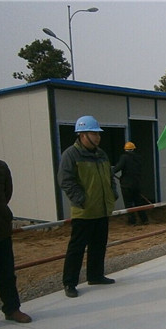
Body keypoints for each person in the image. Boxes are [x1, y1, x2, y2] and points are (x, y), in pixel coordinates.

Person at [58, 115, 118, 298]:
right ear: (82, 135)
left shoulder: (101, 154)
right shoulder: (71, 155)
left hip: (101, 210)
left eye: (98, 134)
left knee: (99, 245)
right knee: (76, 249)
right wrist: (81, 199)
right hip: (84, 212)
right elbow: (66, 180)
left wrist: (112, 194)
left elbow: (110, 176)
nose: (98, 137)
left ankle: (95, 275)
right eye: (94, 133)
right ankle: (70, 282)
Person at [0, 123, 32, 325]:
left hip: (0, 230)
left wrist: (0, 214)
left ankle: (12, 309)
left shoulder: (0, 168)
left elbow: (6, 193)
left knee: (7, 274)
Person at [112, 141, 149, 226]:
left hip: (126, 184)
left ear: (125, 149)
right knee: (138, 202)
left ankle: (132, 221)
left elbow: (118, 167)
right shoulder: (138, 158)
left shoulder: (124, 157)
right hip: (137, 184)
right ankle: (144, 219)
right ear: (133, 149)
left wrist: (110, 171)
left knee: (128, 203)